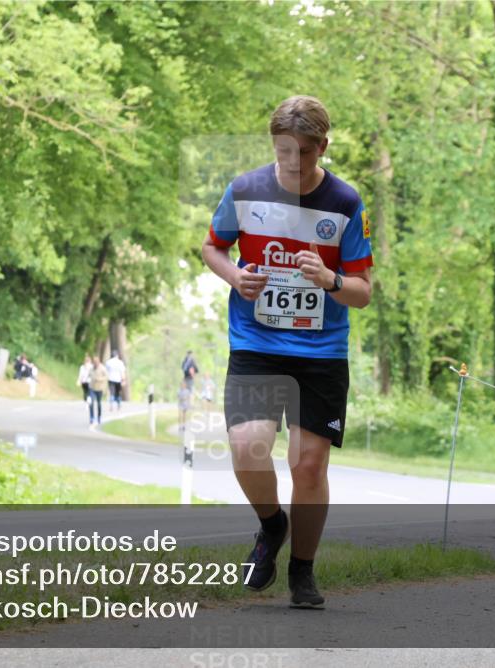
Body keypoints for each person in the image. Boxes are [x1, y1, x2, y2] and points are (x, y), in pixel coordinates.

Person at [201, 95, 373, 609]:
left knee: (308, 466)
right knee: (247, 447)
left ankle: (303, 571)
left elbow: (362, 291)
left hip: (320, 351)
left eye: (304, 153)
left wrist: (330, 279)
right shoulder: (245, 189)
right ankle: (272, 525)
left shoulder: (345, 202)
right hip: (257, 342)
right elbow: (212, 246)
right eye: (283, 152)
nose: (293, 165)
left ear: (323, 146)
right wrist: (235, 275)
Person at [88, 357, 109, 428]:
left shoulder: (102, 368)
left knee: (99, 403)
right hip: (92, 388)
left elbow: (106, 376)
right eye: (94, 362)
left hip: (99, 388)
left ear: (99, 362)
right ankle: (91, 417)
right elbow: (89, 375)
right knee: (91, 403)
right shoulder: (91, 368)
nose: (95, 364)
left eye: (96, 362)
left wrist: (100, 379)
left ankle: (99, 417)